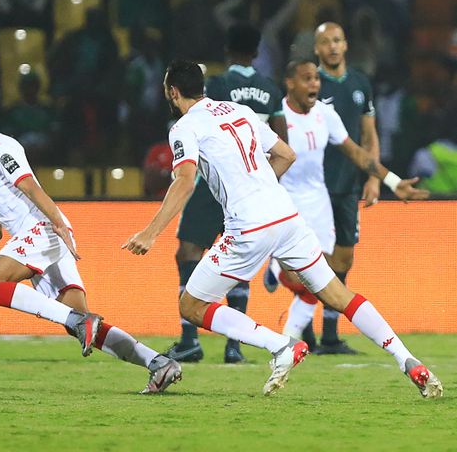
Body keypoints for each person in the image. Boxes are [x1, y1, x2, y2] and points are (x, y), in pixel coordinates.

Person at [123, 60, 442, 398]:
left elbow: (185, 181)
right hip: (287, 216)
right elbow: (286, 154)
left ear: (172, 92)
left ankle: (280, 345)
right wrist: (258, 187)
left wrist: (150, 232)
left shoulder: (184, 128)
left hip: (248, 227)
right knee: (338, 295)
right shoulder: (239, 110)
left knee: (191, 306)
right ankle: (407, 358)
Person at [0, 90, 181, 394]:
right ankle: (159, 364)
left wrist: (56, 223)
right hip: (38, 237)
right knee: (78, 324)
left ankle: (82, 322)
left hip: (43, 228)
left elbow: (28, 185)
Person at [274, 59, 430, 340]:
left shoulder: (325, 114)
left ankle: (290, 342)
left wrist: (392, 182)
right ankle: (277, 272)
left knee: (320, 279)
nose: (314, 84)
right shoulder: (277, 115)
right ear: (290, 83)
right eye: (307, 79)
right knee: (301, 277)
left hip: (318, 204)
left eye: (316, 79)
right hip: (285, 203)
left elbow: (358, 153)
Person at [165, 23, 288, 364]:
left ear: (228, 50)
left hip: (214, 185)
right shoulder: (270, 89)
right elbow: (283, 143)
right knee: (240, 262)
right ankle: (234, 346)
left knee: (188, 252)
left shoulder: (216, 86)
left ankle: (190, 339)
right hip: (255, 186)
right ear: (256, 50)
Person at [292, 21, 383, 354]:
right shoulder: (310, 83)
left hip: (347, 185)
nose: (332, 46)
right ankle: (305, 329)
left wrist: (373, 177)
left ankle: (329, 335)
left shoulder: (360, 83)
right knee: (309, 258)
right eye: (325, 42)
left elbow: (369, 135)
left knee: (343, 258)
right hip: (313, 187)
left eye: (337, 40)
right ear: (316, 48)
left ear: (345, 45)